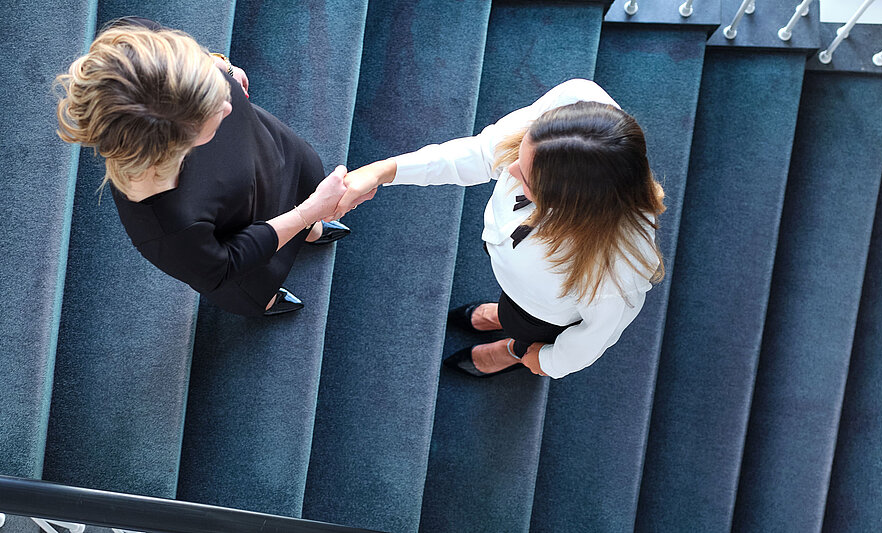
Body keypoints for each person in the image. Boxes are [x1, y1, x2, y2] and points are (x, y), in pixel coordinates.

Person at [334, 79, 665, 378]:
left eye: (527, 179)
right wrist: (384, 171)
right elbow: (482, 153)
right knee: (508, 311)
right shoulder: (575, 106)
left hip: (540, 315)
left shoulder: (616, 271)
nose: (510, 170)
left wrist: (548, 361)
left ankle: (511, 352)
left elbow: (598, 334)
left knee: (522, 329)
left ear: (570, 202)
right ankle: (500, 316)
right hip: (514, 271)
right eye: (520, 155)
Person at [55, 17, 348, 317]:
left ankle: (309, 228)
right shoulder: (167, 225)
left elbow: (179, 52)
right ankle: (285, 266)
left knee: (298, 180)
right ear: (173, 144)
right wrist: (308, 211)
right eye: (211, 110)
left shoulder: (141, 54)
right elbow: (227, 265)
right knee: (258, 278)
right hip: (243, 231)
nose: (228, 102)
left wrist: (217, 66)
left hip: (266, 148)